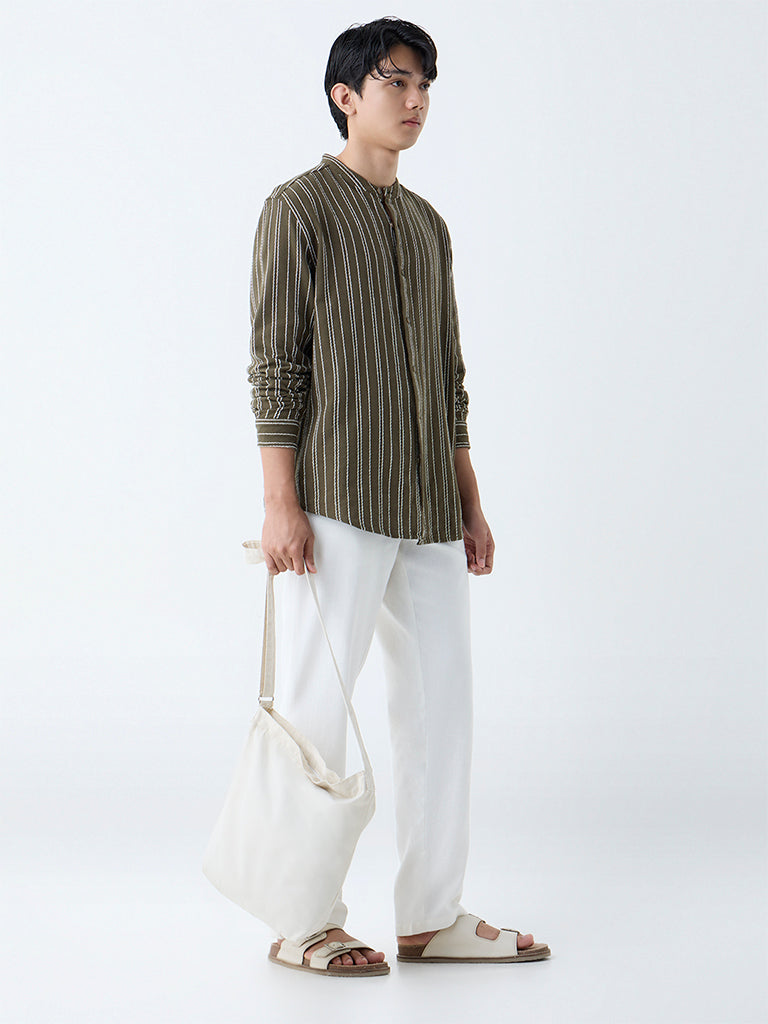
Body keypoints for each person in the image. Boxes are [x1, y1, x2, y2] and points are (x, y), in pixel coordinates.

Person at [247, 16, 551, 976]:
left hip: (427, 504)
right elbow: (275, 365)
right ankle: (302, 922)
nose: (416, 101)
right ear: (347, 95)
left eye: (424, 86)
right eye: (396, 82)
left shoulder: (428, 226)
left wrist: (469, 497)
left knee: (441, 708)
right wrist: (280, 503)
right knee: (315, 712)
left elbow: (448, 374)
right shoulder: (296, 209)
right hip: (334, 496)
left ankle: (430, 915)